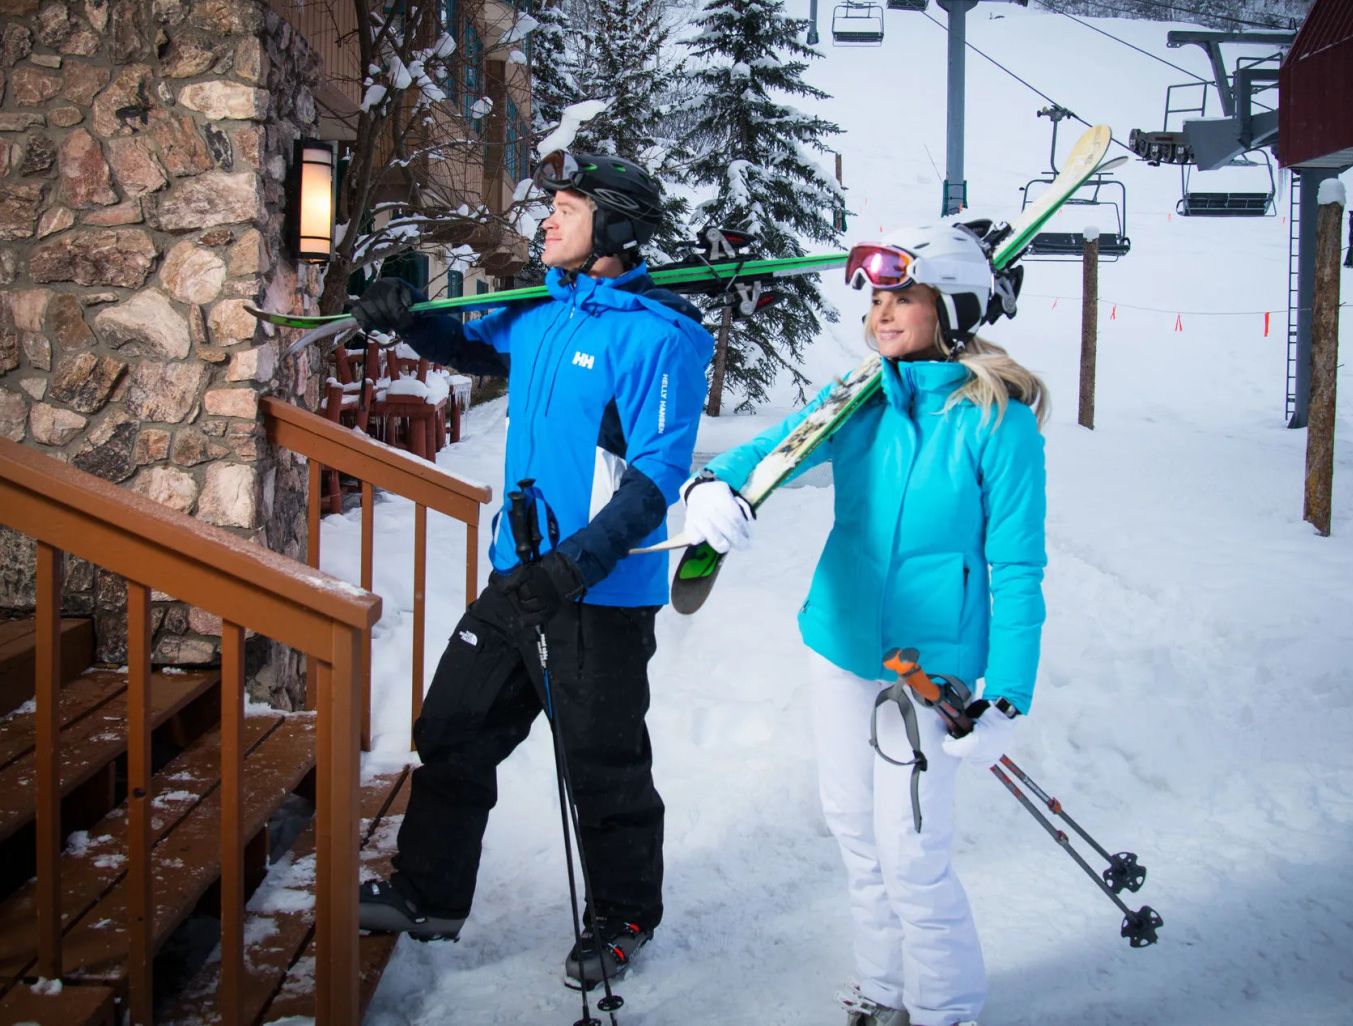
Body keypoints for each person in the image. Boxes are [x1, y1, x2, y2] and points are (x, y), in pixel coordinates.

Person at [350, 152, 714, 989]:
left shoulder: (663, 337)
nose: (546, 221)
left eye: (566, 208)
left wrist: (574, 566)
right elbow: (468, 347)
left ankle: (623, 917)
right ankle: (428, 895)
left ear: (614, 228)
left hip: (596, 597)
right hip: (515, 578)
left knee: (601, 763)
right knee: (451, 730)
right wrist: (402, 317)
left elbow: (657, 478)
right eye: (549, 207)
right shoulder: (538, 312)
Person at [682, 223, 1049, 1026]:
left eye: (903, 297)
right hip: (840, 644)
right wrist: (714, 485)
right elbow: (777, 447)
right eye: (877, 299)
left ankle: (944, 1010)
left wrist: (1009, 697)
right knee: (854, 830)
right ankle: (883, 990)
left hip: (929, 664)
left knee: (912, 853)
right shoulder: (857, 397)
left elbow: (1017, 572)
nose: (882, 314)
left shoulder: (997, 421)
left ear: (949, 307)